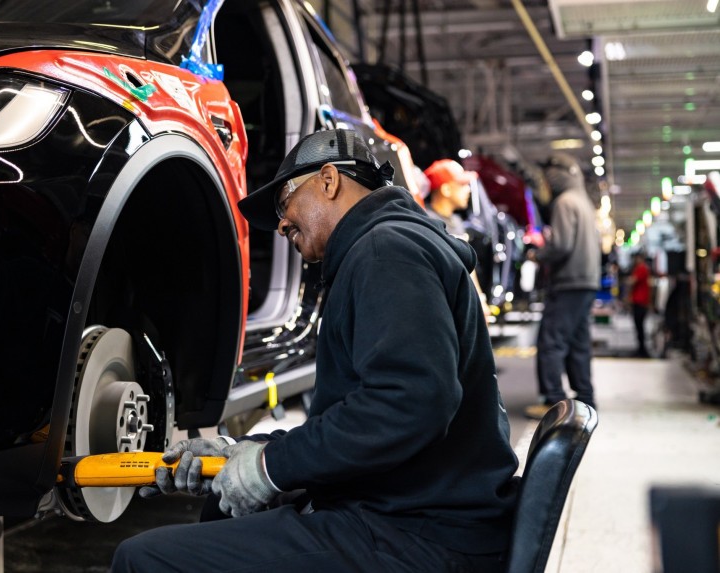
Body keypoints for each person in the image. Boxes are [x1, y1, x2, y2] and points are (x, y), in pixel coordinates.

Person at [111, 129, 519, 572]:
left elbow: (410, 403)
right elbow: (359, 414)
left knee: (142, 559)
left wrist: (268, 468)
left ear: (329, 180)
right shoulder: (385, 248)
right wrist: (242, 450)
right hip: (410, 509)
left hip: (420, 534)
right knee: (221, 508)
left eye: (284, 203)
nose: (282, 223)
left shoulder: (386, 253)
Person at [524, 152, 601, 420]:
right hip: (586, 281)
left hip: (568, 282)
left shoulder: (565, 202)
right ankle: (586, 399)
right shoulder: (583, 202)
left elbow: (561, 245)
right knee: (579, 343)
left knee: (551, 342)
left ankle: (553, 403)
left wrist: (537, 255)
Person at [424, 158, 492, 321]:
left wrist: (480, 299)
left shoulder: (456, 222)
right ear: (446, 189)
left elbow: (468, 265)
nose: (468, 190)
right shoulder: (426, 221)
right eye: (462, 185)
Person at [628, 251, 651, 358]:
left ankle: (642, 350)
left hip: (640, 302)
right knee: (639, 327)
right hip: (639, 301)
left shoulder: (641, 268)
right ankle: (641, 349)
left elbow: (632, 281)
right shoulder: (642, 268)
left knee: (640, 327)